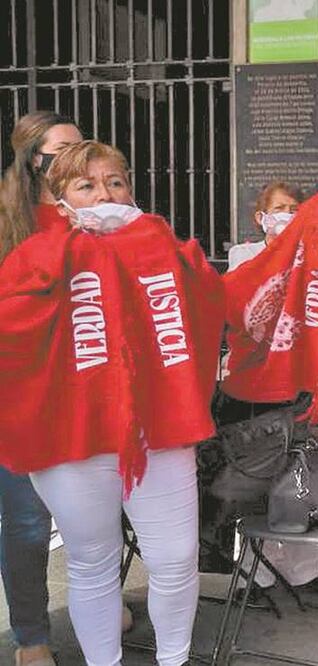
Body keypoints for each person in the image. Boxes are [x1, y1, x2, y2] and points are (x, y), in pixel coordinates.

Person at [0, 140, 223, 666]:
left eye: (115, 182)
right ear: (61, 201)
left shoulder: (155, 242)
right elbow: (11, 331)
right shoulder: (35, 251)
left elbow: (207, 305)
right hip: (73, 437)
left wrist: (168, 251)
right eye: (87, 185)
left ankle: (175, 658)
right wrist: (66, 251)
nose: (105, 193)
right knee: (91, 562)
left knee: (175, 560)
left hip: (157, 431)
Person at [224, 181, 318, 597]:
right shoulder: (244, 255)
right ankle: (254, 571)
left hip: (301, 380)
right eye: (281, 208)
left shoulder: (315, 258)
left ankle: (305, 569)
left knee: (300, 476)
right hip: (255, 385)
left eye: (295, 209)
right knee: (256, 479)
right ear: (261, 217)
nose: (289, 215)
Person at [0, 110, 82, 666]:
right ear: (36, 159)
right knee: (28, 521)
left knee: (89, 513)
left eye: (84, 147)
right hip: (21, 393)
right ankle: (32, 635)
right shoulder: (10, 220)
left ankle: (91, 607)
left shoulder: (94, 210)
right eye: (63, 150)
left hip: (82, 387)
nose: (77, 157)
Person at [228, 181, 304, 270]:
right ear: (260, 218)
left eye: (294, 210)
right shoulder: (244, 253)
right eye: (279, 208)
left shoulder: (309, 255)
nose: (287, 213)